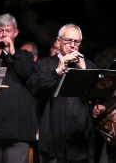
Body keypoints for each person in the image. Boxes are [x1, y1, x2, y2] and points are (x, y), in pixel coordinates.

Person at [26, 23, 105, 163]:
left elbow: (99, 95)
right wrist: (57, 71)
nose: (72, 45)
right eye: (68, 40)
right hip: (53, 139)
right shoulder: (45, 64)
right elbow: (34, 88)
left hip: (80, 140)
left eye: (76, 42)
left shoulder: (87, 65)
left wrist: (84, 70)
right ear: (59, 41)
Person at [0, 13, 39, 163]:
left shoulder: (25, 56)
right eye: (0, 30)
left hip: (18, 128)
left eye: (8, 31)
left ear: (15, 33)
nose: (4, 35)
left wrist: (13, 54)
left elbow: (30, 76)